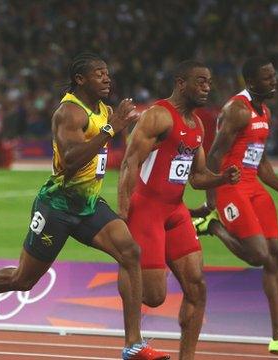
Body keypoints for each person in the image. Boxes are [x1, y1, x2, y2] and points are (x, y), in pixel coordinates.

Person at [0, 53, 168, 360]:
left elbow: (105, 151)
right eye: (99, 74)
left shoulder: (105, 110)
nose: (107, 78)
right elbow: (70, 162)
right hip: (56, 207)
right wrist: (110, 129)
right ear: (80, 79)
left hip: (87, 205)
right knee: (24, 279)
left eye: (108, 73)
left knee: (130, 252)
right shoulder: (69, 111)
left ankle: (133, 344)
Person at [192, 56, 278, 360]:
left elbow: (260, 162)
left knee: (275, 258)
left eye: (274, 75)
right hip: (229, 184)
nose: (275, 81)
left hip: (253, 187)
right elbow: (214, 154)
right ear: (251, 82)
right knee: (259, 255)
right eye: (268, 77)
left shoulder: (265, 112)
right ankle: (212, 225)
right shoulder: (237, 110)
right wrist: (213, 199)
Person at [118, 60, 240, 360]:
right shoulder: (158, 116)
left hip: (175, 211)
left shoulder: (197, 125)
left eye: (209, 82)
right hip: (146, 210)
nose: (207, 87)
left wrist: (221, 178)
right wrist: (122, 215)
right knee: (154, 297)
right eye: (200, 81)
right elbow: (129, 162)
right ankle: (127, 265)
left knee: (196, 286)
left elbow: (197, 178)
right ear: (180, 83)